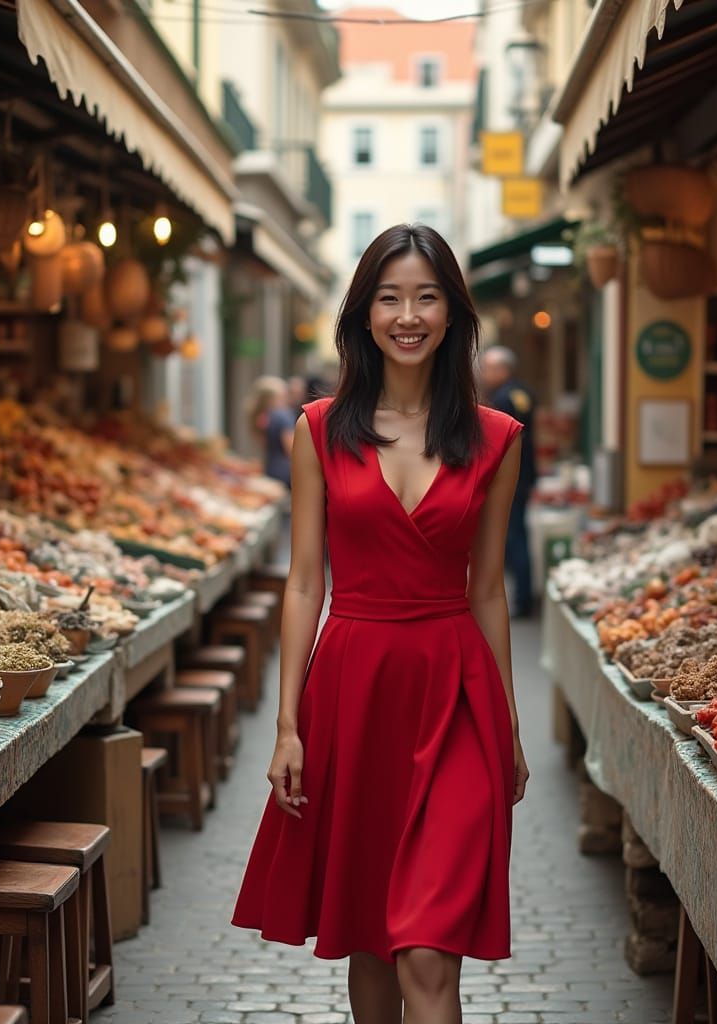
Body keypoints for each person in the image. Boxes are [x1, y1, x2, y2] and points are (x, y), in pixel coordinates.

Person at [231, 224, 529, 1024]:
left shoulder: (497, 438)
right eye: (390, 297)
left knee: (428, 954)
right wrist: (288, 726)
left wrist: (508, 723)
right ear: (363, 313)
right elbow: (303, 584)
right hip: (352, 690)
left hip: (456, 691)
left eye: (427, 297)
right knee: (366, 941)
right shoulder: (318, 430)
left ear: (452, 315)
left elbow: (490, 590)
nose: (408, 314)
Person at [480, 346, 537, 618]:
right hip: (525, 474)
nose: (486, 374)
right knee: (517, 534)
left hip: (513, 477)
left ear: (504, 369)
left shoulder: (504, 398)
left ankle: (521, 598)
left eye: (490, 369)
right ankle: (523, 596)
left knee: (513, 537)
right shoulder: (522, 392)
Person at [244, 375, 295, 488]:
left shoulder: (261, 417)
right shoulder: (283, 416)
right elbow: (291, 449)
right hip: (286, 470)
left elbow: (263, 443)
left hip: (270, 467)